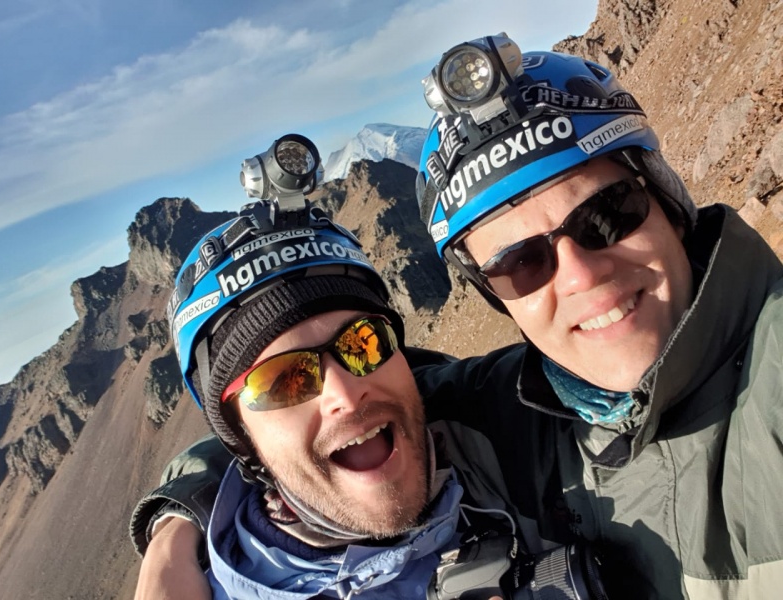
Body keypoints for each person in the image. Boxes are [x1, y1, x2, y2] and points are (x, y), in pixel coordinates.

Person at [134, 34, 783, 599]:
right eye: (522, 261)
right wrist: (178, 522)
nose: (581, 275)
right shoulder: (517, 421)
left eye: (607, 216)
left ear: (668, 201)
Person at [132, 133, 541, 600]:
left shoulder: (515, 435)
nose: (345, 393)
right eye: (285, 381)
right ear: (241, 436)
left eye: (364, 343)